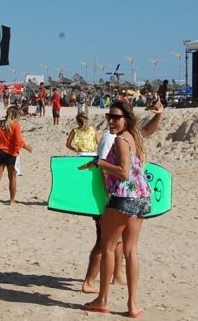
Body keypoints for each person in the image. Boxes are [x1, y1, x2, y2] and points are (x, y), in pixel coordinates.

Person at [78, 100, 163, 318]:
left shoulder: (120, 141)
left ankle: (102, 300)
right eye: (109, 116)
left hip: (123, 197)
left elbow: (123, 172)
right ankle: (133, 305)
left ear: (126, 119)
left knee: (108, 247)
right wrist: (159, 115)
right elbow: (149, 130)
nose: (111, 121)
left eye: (116, 117)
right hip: (142, 197)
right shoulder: (133, 136)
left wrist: (100, 163)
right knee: (131, 251)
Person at [0, 106, 32, 206]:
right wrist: (26, 147)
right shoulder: (15, 125)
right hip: (11, 154)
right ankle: (12, 200)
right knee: (12, 177)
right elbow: (18, 141)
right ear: (16, 115)